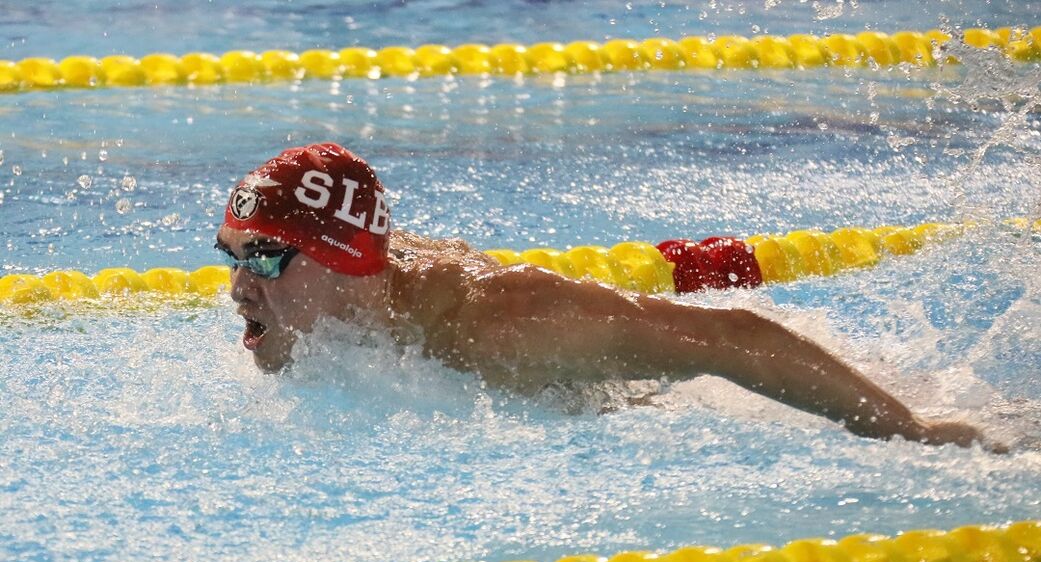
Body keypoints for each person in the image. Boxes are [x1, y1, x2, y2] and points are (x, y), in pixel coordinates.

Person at [217, 142, 990, 449]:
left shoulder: (500, 329)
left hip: (651, 386)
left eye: (267, 262)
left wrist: (913, 430)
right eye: (232, 258)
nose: (238, 289)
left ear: (348, 263)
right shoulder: (354, 304)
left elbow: (738, 341)